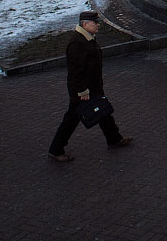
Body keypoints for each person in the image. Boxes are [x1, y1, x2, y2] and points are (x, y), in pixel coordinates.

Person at [48, 10, 132, 162]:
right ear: (85, 24)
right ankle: (56, 150)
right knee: (72, 119)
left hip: (92, 87)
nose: (98, 25)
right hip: (83, 91)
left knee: (103, 112)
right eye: (95, 23)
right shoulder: (77, 43)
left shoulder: (87, 38)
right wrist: (81, 91)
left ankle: (114, 139)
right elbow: (75, 71)